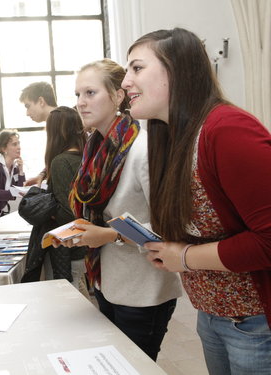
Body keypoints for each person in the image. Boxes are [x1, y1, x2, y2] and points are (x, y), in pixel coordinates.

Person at [122, 27, 271, 374]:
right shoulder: (170, 137)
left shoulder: (228, 129)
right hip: (213, 315)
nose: (126, 82)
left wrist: (186, 257)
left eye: (137, 68)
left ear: (176, 69)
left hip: (255, 323)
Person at [60, 58, 181, 361]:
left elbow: (168, 229)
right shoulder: (94, 148)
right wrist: (82, 232)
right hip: (106, 282)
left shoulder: (143, 148)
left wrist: (107, 235)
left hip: (144, 289)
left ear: (118, 96)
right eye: (77, 95)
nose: (80, 103)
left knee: (134, 367)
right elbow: (94, 211)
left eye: (90, 93)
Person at [21, 106, 88, 295]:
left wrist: (47, 211)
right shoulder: (87, 156)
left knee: (69, 299)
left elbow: (68, 212)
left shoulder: (61, 161)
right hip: (85, 242)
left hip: (67, 247)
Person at [19, 81, 58, 187]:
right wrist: (41, 175)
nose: (27, 113)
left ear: (41, 101)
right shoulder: (53, 123)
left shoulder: (61, 121)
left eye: (28, 106)